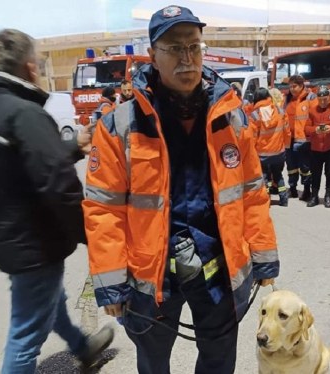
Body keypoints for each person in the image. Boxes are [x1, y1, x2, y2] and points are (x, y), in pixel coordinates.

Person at [82, 5, 279, 374]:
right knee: (153, 362)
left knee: (219, 361)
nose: (187, 58)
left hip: (218, 267)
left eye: (194, 46)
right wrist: (110, 282)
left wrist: (264, 253)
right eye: (174, 48)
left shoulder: (231, 116)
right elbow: (103, 209)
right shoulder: (118, 126)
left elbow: (252, 191)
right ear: (153, 55)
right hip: (152, 275)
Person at [0, 29, 114, 373]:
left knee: (50, 301)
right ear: (29, 68)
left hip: (4, 240)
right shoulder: (24, 113)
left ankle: (82, 347)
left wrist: (68, 149)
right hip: (34, 245)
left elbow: (17, 164)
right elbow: (58, 184)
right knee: (25, 336)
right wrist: (91, 234)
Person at [249, 87, 290, 206]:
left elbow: (253, 136)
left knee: (265, 177)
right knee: (278, 175)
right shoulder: (280, 111)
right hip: (278, 152)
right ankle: (284, 199)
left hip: (262, 154)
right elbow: (286, 131)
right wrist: (286, 146)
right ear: (268, 97)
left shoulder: (255, 115)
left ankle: (266, 201)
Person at [284, 74, 314, 201]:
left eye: (294, 86)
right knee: (291, 167)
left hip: (303, 140)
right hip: (289, 139)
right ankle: (293, 189)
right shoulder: (286, 100)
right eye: (290, 86)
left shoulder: (309, 98)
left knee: (305, 168)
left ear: (301, 86)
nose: (292, 89)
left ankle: (307, 190)